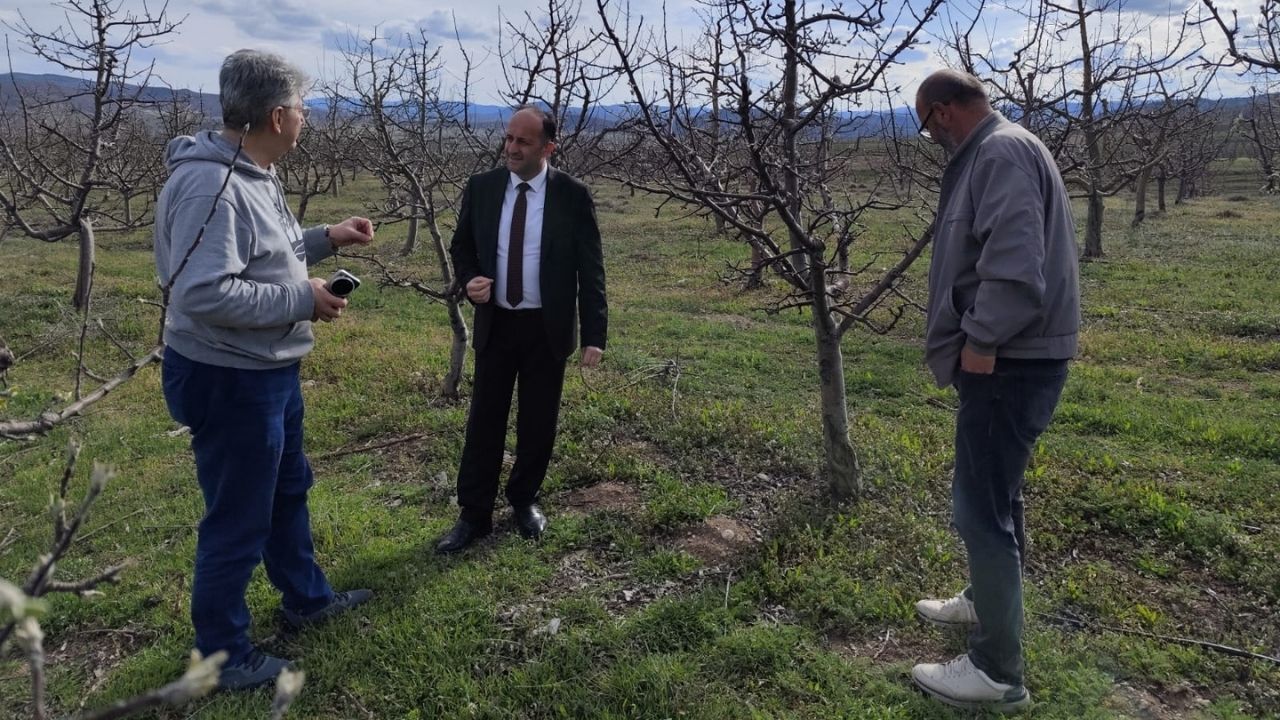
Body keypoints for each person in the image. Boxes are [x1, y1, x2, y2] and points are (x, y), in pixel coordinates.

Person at [154, 49, 376, 690]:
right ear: (279, 115)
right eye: (303, 109)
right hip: (230, 377)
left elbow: (263, 252)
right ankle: (223, 658)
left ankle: (306, 600)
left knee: (285, 492)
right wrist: (304, 298)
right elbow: (203, 294)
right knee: (238, 516)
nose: (306, 119)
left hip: (267, 368)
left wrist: (325, 237)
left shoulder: (252, 171)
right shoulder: (210, 185)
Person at [910, 69, 1080, 713]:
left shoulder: (1000, 151)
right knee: (998, 492)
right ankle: (985, 601)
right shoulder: (1006, 146)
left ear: (946, 111)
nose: (931, 136)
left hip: (1008, 360)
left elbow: (1013, 262)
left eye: (928, 125)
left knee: (979, 506)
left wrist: (979, 343)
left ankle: (996, 671)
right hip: (1016, 356)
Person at [437, 105, 608, 553]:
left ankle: (524, 500)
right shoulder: (483, 188)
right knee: (483, 422)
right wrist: (470, 277)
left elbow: (591, 269)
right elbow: (463, 245)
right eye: (509, 138)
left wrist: (594, 334)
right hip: (497, 323)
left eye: (523, 141)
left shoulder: (572, 195)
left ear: (548, 147)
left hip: (545, 328)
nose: (511, 148)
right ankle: (473, 514)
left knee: (538, 421)